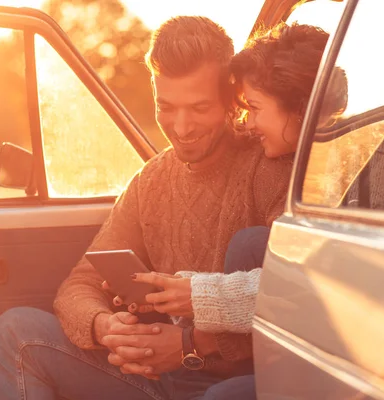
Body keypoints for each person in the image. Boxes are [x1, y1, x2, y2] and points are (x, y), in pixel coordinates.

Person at [0, 16, 293, 400]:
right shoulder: (152, 180)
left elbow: (297, 301)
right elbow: (78, 284)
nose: (181, 128)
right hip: (157, 375)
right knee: (14, 333)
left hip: (239, 382)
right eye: (166, 107)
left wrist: (188, 344)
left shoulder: (268, 166)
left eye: (199, 108)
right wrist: (106, 328)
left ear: (231, 100)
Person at [130, 23, 347, 334]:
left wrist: (194, 313)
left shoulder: (351, 169)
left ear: (301, 110)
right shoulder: (151, 177)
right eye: (166, 106)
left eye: (254, 108)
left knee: (250, 244)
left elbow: (316, 283)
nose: (248, 122)